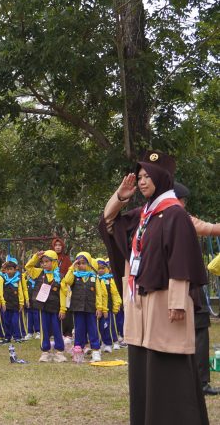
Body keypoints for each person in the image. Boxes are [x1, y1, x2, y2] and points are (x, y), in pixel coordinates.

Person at [99, 150, 208, 425]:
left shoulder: (174, 214)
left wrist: (178, 302)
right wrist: (120, 196)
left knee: (166, 362)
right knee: (143, 365)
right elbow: (109, 224)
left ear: (161, 178)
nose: (142, 181)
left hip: (164, 303)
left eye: (148, 176)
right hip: (140, 302)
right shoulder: (142, 215)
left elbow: (181, 259)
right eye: (140, 176)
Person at [174, 181, 220, 396]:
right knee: (200, 329)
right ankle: (200, 382)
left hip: (164, 286)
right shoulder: (180, 218)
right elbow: (209, 228)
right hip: (189, 284)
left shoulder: (148, 218)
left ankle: (177, 382)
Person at [61, 252, 107, 362]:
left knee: (93, 329)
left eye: (84, 263)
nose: (81, 265)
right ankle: (78, 349)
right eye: (79, 263)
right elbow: (66, 281)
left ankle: (95, 350)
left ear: (89, 264)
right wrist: (72, 267)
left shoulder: (94, 277)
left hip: (91, 308)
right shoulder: (74, 276)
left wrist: (99, 307)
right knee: (79, 329)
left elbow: (99, 294)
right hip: (77, 308)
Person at [25, 250, 67, 363]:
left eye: (47, 261)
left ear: (54, 262)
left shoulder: (61, 277)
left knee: (57, 329)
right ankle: (45, 351)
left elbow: (63, 294)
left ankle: (59, 351)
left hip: (55, 308)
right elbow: (28, 267)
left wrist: (63, 309)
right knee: (44, 329)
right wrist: (35, 256)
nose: (44, 264)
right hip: (42, 307)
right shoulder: (38, 273)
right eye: (42, 262)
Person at [96, 258, 122, 352]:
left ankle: (114, 342)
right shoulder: (95, 279)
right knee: (101, 326)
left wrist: (117, 304)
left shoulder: (110, 279)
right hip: (99, 308)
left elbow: (115, 293)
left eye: (103, 268)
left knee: (111, 325)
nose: (101, 270)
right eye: (99, 268)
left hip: (109, 307)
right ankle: (104, 342)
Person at [51, 238, 74, 339]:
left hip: (64, 287)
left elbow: (70, 272)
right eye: (56, 245)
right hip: (53, 286)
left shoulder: (66, 258)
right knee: (53, 307)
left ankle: (67, 332)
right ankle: (54, 331)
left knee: (66, 308)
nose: (58, 247)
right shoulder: (49, 258)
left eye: (59, 245)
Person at [0, 258, 24, 344]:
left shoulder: (17, 280)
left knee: (15, 321)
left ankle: (17, 337)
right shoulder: (3, 279)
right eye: (7, 269)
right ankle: (7, 337)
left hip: (15, 305)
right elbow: (0, 292)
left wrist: (21, 303)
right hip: (6, 305)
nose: (9, 271)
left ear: (15, 270)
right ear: (5, 270)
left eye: (11, 269)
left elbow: (20, 292)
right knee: (6, 322)